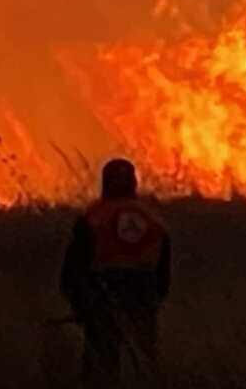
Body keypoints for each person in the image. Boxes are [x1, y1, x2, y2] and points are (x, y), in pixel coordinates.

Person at [59, 158, 171, 388]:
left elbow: (75, 264)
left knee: (101, 362)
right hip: (143, 293)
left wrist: (77, 301)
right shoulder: (154, 220)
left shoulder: (93, 218)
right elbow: (163, 270)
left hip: (104, 292)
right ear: (134, 183)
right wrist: (154, 299)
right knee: (144, 359)